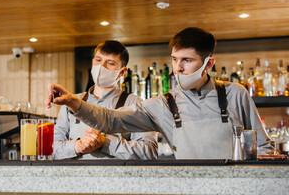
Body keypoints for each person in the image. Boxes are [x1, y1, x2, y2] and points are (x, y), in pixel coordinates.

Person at [47, 28, 272, 159]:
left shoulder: (235, 93)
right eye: (175, 59)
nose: (178, 68)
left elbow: (264, 148)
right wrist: (75, 102)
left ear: (208, 63)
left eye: (187, 60)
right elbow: (111, 119)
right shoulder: (164, 104)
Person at [53, 40, 159, 160]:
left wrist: (106, 142)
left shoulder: (136, 104)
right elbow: (51, 150)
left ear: (122, 72)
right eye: (98, 60)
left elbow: (149, 152)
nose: (101, 67)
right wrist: (77, 146)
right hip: (75, 177)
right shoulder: (71, 102)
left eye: (110, 63)